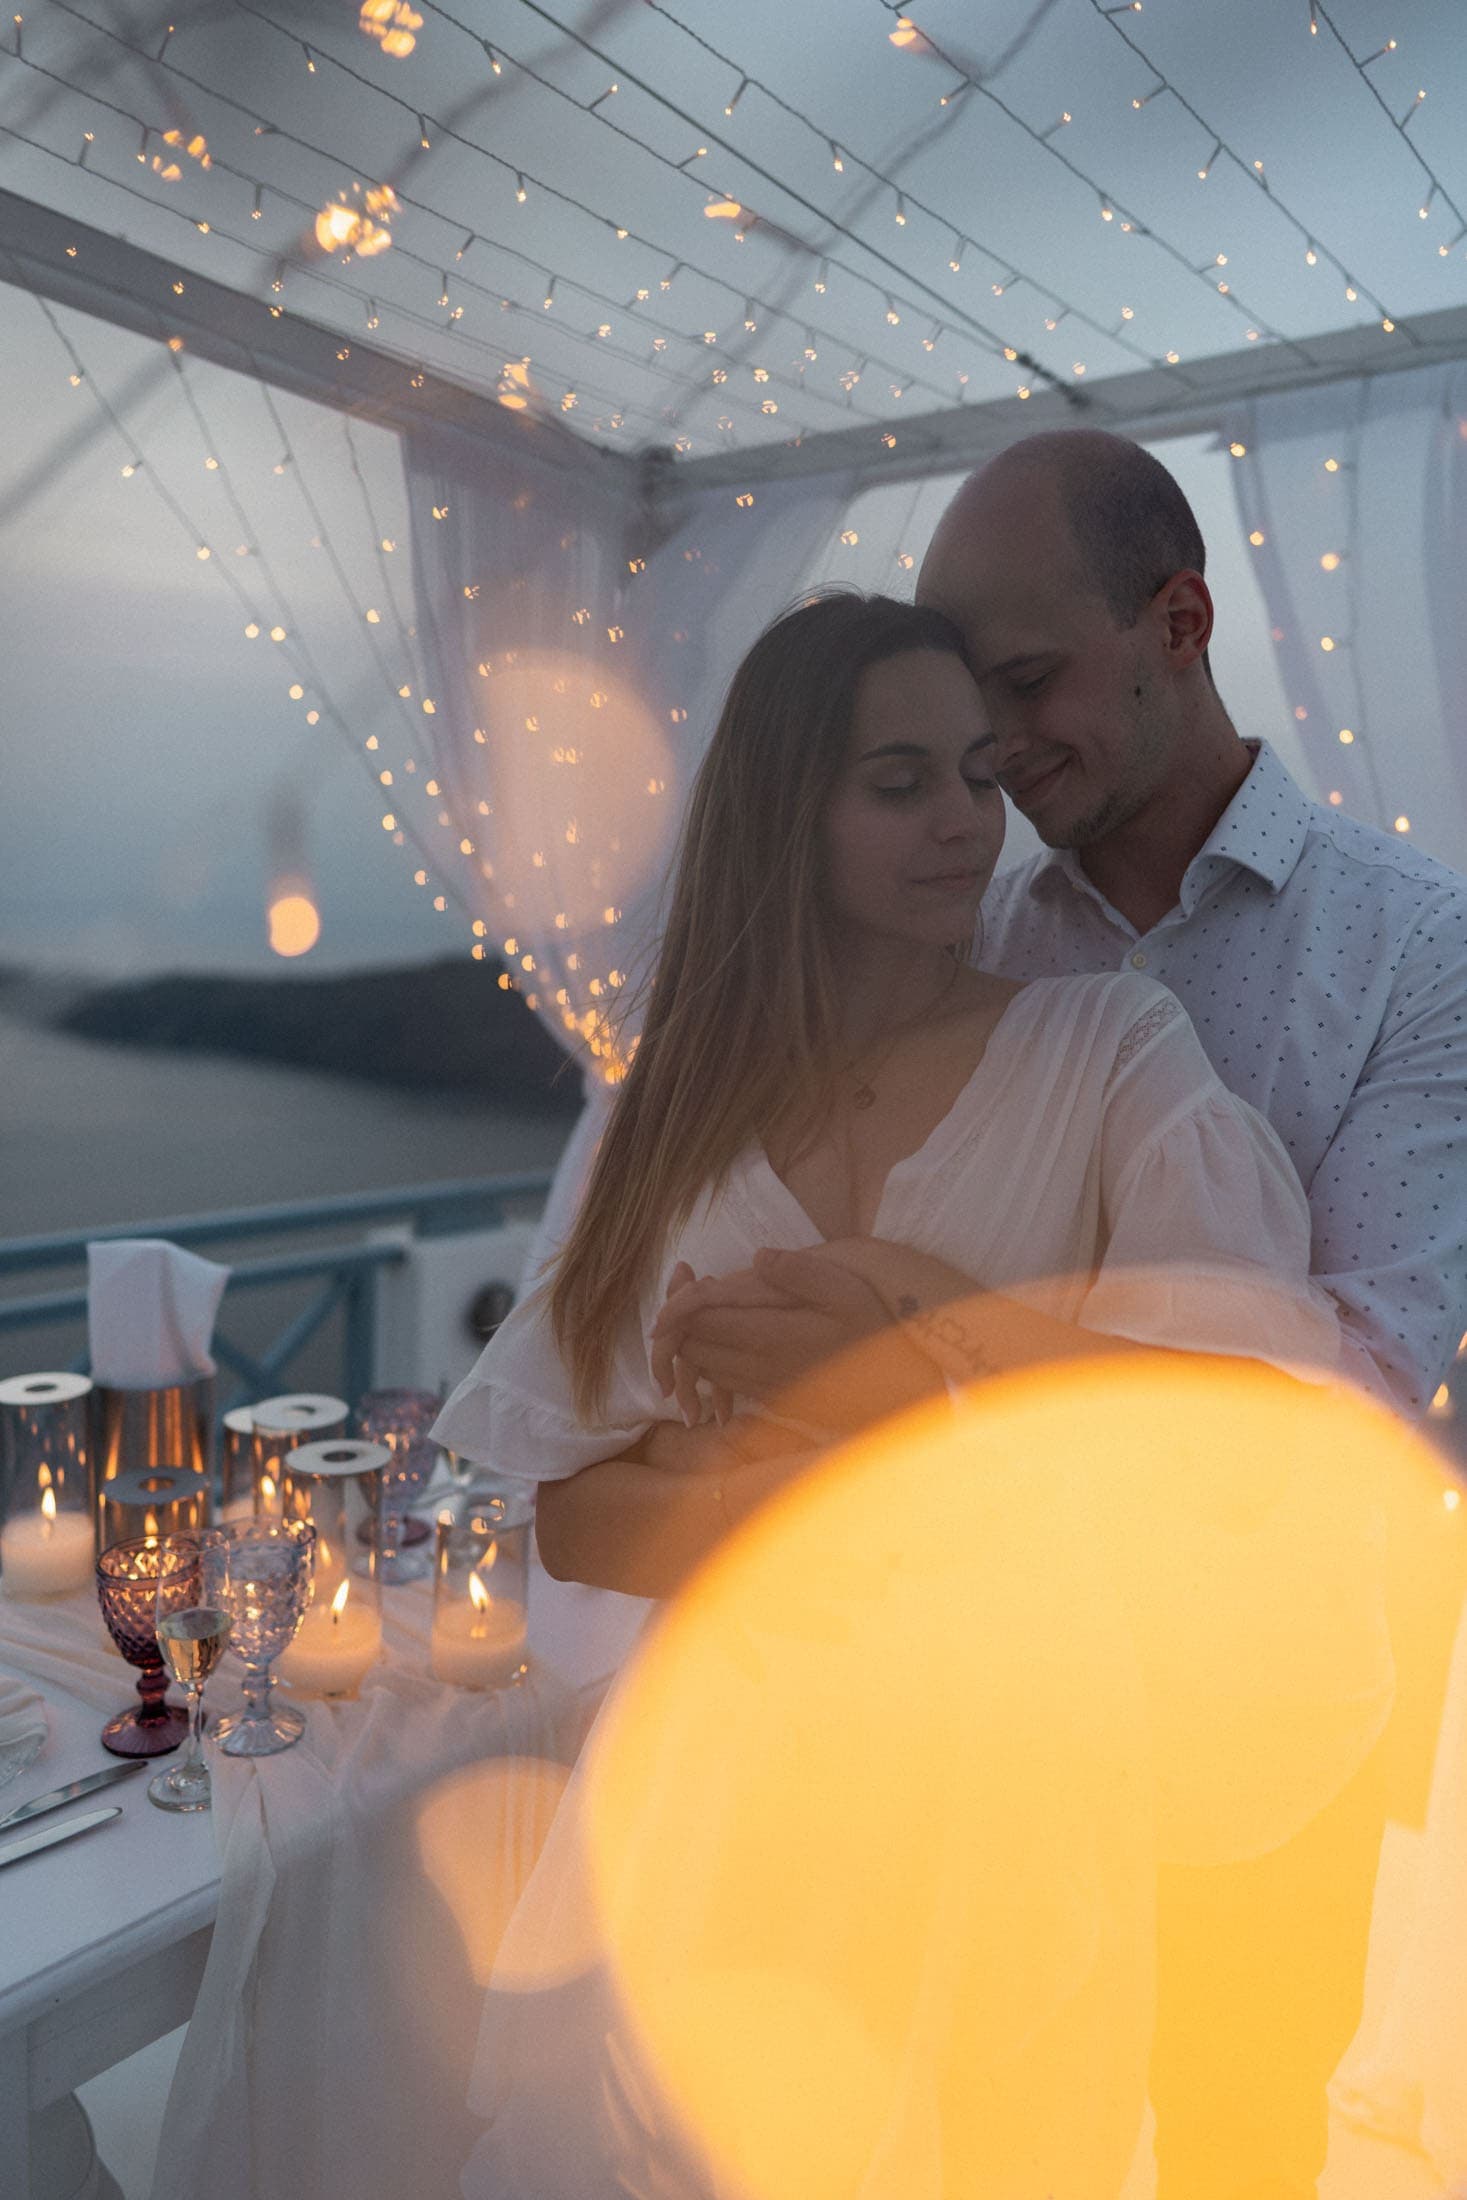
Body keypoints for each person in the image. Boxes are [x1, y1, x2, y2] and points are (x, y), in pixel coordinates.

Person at [435, 586, 1352, 2199]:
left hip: (1015, 1792)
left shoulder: (1103, 1051)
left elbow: (1240, 1431)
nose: (966, 826)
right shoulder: (680, 1113)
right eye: (901, 781)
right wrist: (806, 1488)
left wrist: (911, 1332)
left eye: (981, 777)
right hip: (719, 1794)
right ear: (786, 813)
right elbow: (552, 1495)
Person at [642, 432, 1467, 2200]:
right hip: (985, 1704)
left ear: (1182, 619)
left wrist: (889, 1344)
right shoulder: (975, 941)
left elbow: (1339, 1393)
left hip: (1276, 1696)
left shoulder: (1421, 951)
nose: (995, 752)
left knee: (1239, 2135)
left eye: (1028, 682)